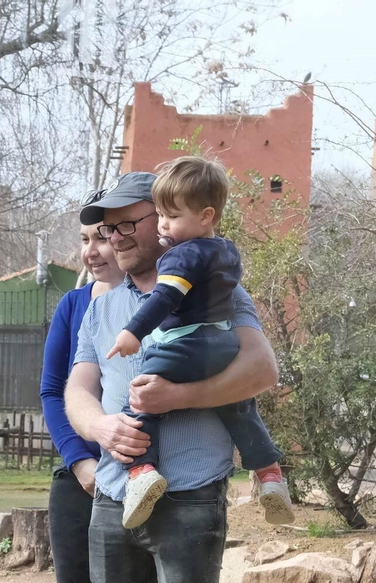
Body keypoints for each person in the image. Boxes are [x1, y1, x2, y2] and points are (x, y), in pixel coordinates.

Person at [65, 171, 281, 583]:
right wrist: (102, 428)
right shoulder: (103, 307)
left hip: (189, 495)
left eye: (126, 225)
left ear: (163, 222)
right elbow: (77, 389)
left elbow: (262, 370)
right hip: (114, 495)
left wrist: (177, 397)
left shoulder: (216, 292)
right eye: (107, 229)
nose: (115, 238)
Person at [104, 156, 293, 530]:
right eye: (160, 215)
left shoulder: (182, 255)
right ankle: (270, 474)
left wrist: (133, 332)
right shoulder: (226, 250)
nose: (163, 224)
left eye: (171, 216)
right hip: (222, 344)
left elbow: (164, 298)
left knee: (140, 398)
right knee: (238, 405)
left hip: (183, 345)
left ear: (206, 216)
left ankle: (141, 472)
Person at [40, 219, 176, 583]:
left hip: (149, 485)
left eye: (102, 236)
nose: (94, 250)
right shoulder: (76, 305)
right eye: (85, 240)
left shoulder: (173, 299)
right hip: (84, 483)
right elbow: (55, 390)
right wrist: (82, 462)